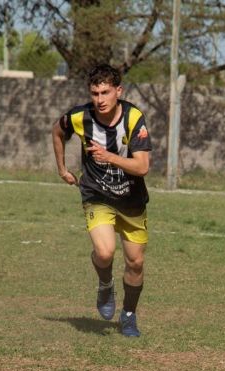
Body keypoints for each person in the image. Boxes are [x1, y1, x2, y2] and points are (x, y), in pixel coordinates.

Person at [52, 64, 151, 337]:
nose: (100, 99)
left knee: (135, 263)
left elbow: (142, 167)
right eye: (95, 93)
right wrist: (62, 169)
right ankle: (105, 283)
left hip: (131, 200)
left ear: (118, 91)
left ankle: (129, 315)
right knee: (105, 252)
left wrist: (109, 157)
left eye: (105, 92)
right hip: (96, 194)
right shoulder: (79, 117)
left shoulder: (133, 118)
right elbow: (57, 131)